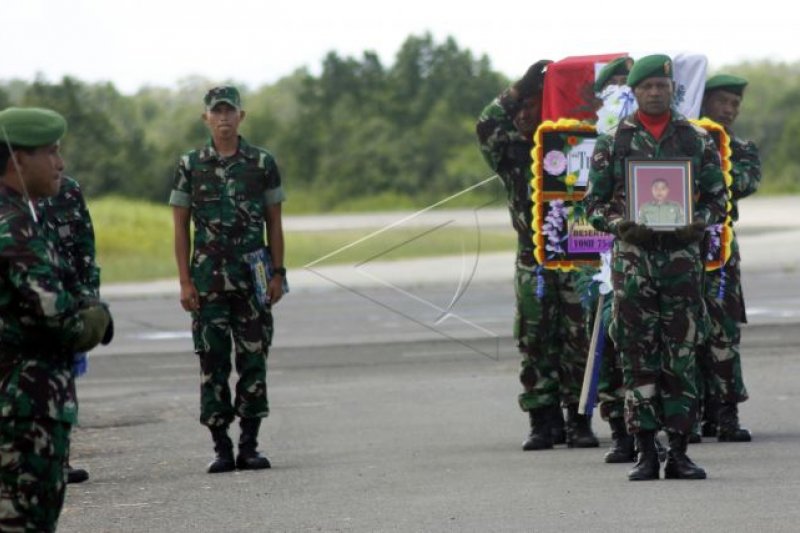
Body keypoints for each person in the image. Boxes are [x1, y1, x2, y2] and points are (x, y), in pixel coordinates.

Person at [583, 54, 728, 480]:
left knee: (681, 355)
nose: (655, 92)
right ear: (635, 91)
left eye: (662, 86)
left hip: (682, 265)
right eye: (647, 87)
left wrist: (697, 223)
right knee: (636, 357)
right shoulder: (615, 143)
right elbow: (593, 204)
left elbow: (719, 199)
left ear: (671, 90)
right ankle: (646, 450)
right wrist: (619, 225)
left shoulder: (695, 140)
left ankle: (679, 451)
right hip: (634, 265)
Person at [0, 107, 112, 531]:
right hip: (23, 413)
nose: (59, 163)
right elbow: (62, 321)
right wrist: (97, 319)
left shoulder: (20, 217)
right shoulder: (14, 228)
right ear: (17, 161)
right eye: (50, 152)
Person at [477, 61, 599, 451]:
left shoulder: (578, 146)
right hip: (534, 260)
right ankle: (541, 420)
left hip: (579, 258)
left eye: (533, 105)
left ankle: (579, 419)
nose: (525, 114)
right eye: (521, 109)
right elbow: (486, 125)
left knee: (581, 339)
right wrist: (515, 90)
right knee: (534, 339)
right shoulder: (516, 153)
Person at [169, 86, 286, 473]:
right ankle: (221, 447)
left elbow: (274, 222)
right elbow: (181, 227)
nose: (223, 118)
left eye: (229, 111)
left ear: (241, 116)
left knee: (254, 360)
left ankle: (249, 445)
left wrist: (278, 274)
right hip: (207, 282)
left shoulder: (262, 163)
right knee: (212, 361)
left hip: (252, 279)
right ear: (206, 118)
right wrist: (185, 281)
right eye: (216, 112)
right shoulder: (190, 164)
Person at [695, 74, 760, 442]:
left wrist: (710, 161)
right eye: (723, 102)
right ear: (705, 103)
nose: (730, 110)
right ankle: (691, 413)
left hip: (719, 248)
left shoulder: (740, 147)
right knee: (684, 334)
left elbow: (746, 182)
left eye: (735, 104)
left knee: (723, 333)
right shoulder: (679, 141)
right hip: (679, 248)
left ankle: (725, 415)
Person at [39, 174, 102, 484]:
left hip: (66, 302)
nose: (57, 162)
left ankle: (60, 459)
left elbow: (84, 246)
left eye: (58, 152)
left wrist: (90, 300)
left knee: (64, 382)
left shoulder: (68, 190)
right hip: (22, 307)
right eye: (49, 152)